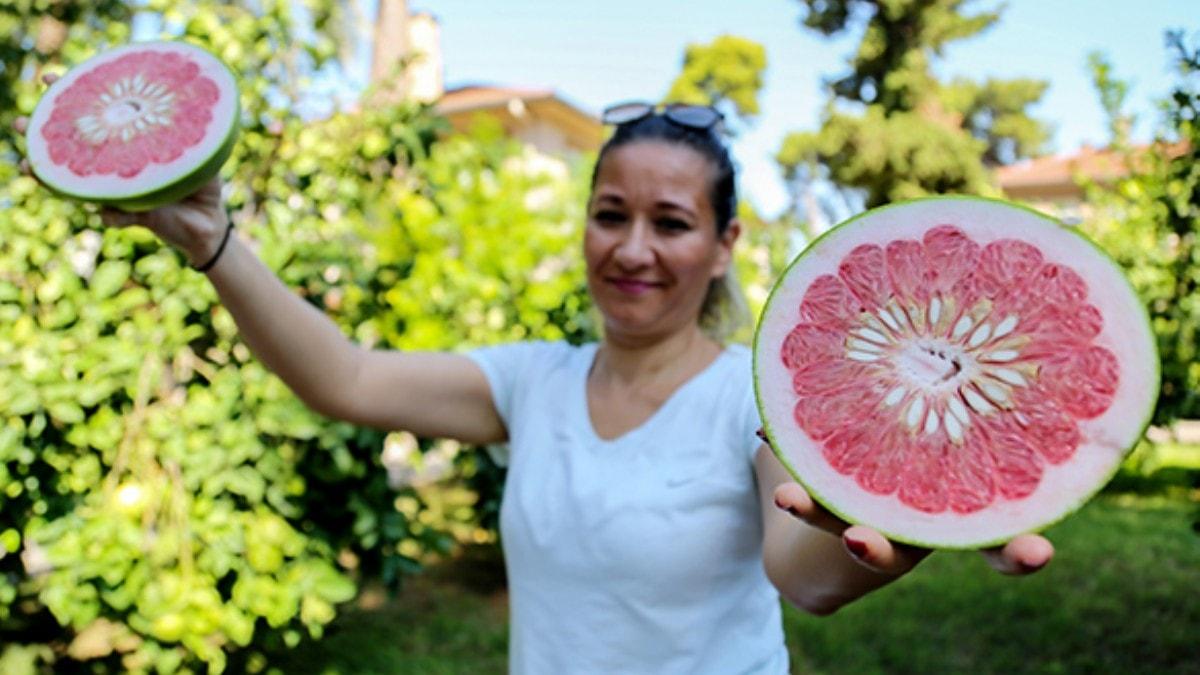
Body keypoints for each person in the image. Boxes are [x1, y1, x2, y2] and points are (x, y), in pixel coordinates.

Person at [16, 97, 1053, 674]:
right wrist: (212, 244)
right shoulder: (533, 382)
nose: (633, 248)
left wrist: (904, 522)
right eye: (611, 213)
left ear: (726, 244)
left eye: (673, 222)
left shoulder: (756, 396)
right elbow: (344, 378)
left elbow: (810, 574)